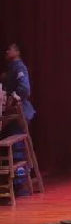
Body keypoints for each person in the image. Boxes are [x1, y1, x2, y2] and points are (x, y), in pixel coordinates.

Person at [1, 42, 34, 195]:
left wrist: (13, 98)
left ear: (17, 51)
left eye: (10, 49)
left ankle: (20, 183)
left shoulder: (19, 67)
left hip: (19, 114)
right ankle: (13, 182)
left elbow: (25, 89)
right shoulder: (10, 69)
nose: (7, 51)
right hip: (11, 116)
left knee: (17, 148)